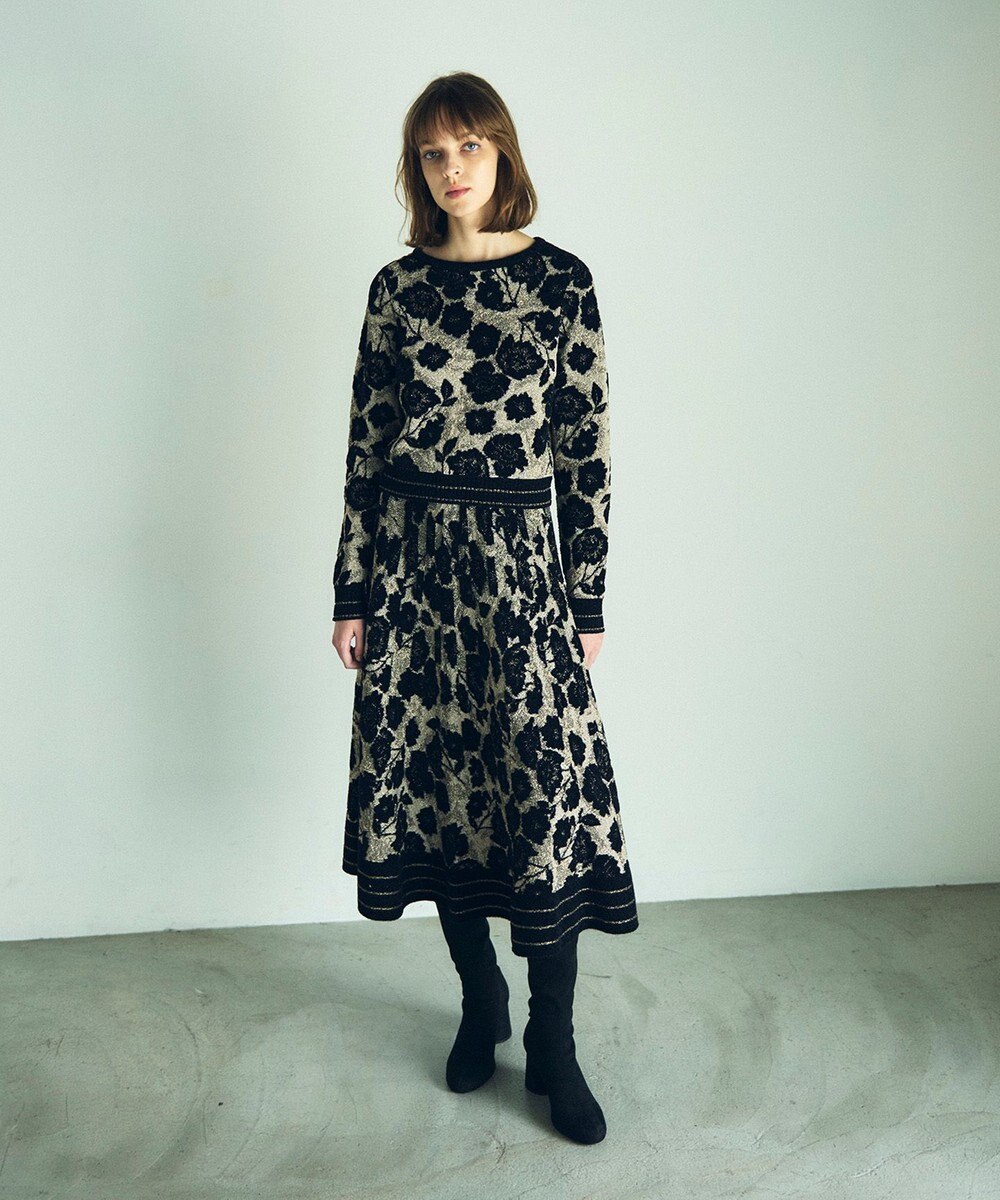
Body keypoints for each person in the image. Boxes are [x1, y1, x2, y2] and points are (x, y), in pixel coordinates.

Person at [331, 71, 640, 1145]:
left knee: (539, 803)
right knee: (438, 796)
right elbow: (366, 449)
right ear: (415, 169)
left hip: (519, 579)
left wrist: (584, 597)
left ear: (503, 151)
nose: (452, 167)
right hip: (414, 576)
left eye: (469, 145)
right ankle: (481, 1005)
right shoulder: (396, 290)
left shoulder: (561, 282)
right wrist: (352, 590)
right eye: (432, 152)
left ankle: (554, 1044)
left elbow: (586, 454)